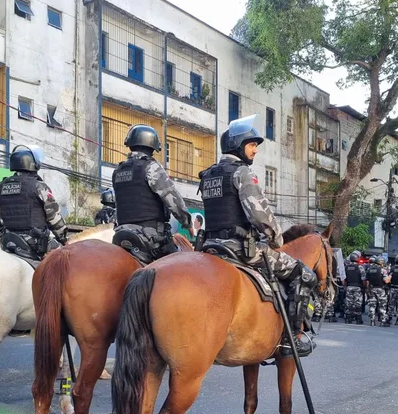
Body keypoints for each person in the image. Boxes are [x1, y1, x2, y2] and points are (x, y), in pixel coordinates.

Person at [199, 115, 318, 357]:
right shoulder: (242, 173)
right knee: (305, 274)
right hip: (239, 248)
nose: (255, 150)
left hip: (208, 246)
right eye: (251, 145)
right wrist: (276, 240)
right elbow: (260, 215)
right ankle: (291, 338)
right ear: (237, 145)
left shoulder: (209, 174)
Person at [111, 124, 192, 263]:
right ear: (152, 146)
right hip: (150, 237)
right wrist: (187, 223)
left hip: (121, 235)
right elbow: (172, 199)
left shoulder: (117, 171)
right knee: (181, 265)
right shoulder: (151, 167)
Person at [0, 145, 68, 259]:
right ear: (32, 162)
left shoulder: (1, 186)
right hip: (35, 243)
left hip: (8, 242)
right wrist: (64, 239)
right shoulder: (39, 186)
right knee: (65, 260)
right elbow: (54, 218)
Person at [364, 255, 389, 326]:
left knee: (372, 305)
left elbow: (367, 281)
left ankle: (372, 321)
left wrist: (368, 289)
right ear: (381, 263)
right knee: (382, 305)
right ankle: (382, 321)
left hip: (372, 289)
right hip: (381, 289)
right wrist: (390, 276)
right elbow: (386, 281)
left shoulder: (369, 269)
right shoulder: (383, 270)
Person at [343, 251, 365, 324]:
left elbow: (343, 279)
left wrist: (345, 286)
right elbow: (363, 279)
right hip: (357, 287)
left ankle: (348, 318)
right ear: (357, 259)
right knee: (357, 303)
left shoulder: (346, 267)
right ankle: (358, 319)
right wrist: (364, 287)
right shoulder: (360, 267)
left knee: (348, 303)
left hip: (349, 287)